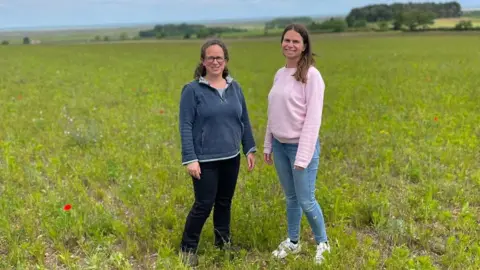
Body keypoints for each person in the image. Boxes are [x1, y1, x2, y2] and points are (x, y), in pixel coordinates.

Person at [178, 38, 256, 267]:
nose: (215, 61)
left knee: (224, 202)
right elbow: (185, 125)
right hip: (205, 160)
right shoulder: (192, 90)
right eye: (210, 57)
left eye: (219, 58)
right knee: (204, 204)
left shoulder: (235, 87)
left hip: (231, 157)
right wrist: (190, 159)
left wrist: (248, 148)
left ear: (226, 61)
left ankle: (223, 243)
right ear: (203, 61)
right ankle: (187, 248)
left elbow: (243, 119)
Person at [263, 23, 331, 265]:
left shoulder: (312, 76)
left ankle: (323, 242)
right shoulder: (279, 74)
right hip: (280, 147)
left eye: (295, 41)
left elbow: (313, 120)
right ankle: (293, 242)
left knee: (306, 199)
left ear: (304, 47)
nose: (290, 45)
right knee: (291, 198)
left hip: (301, 148)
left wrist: (302, 157)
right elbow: (274, 113)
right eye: (286, 40)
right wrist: (268, 145)